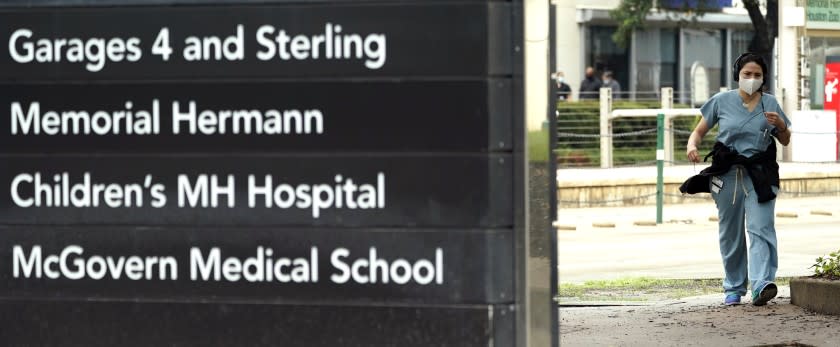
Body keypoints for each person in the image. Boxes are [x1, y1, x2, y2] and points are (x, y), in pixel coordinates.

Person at [680, 52, 791, 306]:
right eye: (747, 74)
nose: (752, 79)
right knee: (731, 233)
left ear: (764, 78)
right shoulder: (721, 101)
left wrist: (782, 127)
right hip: (727, 175)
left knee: (761, 227)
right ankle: (733, 287)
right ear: (737, 75)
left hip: (760, 175)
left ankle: (762, 283)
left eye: (757, 75)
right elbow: (698, 132)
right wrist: (691, 145)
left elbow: (785, 139)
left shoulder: (771, 103)